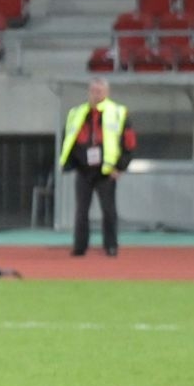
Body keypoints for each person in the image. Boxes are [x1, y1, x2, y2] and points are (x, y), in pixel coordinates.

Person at [61, 78, 134, 258]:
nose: (96, 94)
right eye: (93, 91)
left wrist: (121, 167)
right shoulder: (76, 113)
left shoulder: (118, 112)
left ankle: (111, 246)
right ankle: (79, 246)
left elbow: (129, 142)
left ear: (107, 92)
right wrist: (72, 163)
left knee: (109, 211)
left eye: (100, 91)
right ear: (89, 92)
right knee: (81, 211)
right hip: (83, 169)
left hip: (107, 171)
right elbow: (68, 138)